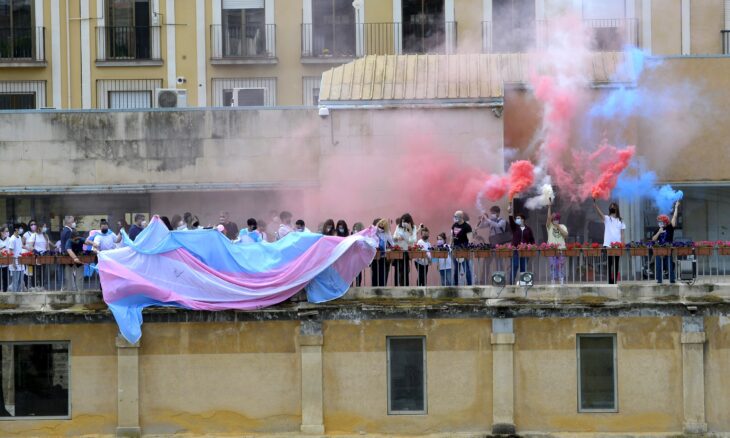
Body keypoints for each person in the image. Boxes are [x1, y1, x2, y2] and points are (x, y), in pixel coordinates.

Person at [593, 199, 626, 284]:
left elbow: (622, 234)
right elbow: (600, 214)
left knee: (616, 263)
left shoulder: (621, 220)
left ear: (616, 209)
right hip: (608, 245)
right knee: (610, 263)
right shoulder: (607, 219)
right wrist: (595, 205)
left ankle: (614, 281)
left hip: (618, 245)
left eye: (613, 207)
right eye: (611, 207)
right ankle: (609, 281)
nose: (612, 209)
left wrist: (623, 244)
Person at [508, 201, 536, 285]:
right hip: (515, 250)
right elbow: (511, 221)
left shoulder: (528, 229)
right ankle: (511, 283)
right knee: (515, 265)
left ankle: (523, 283)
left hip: (525, 251)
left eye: (519, 218)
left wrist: (532, 247)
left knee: (523, 268)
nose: (517, 220)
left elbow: (532, 240)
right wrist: (509, 212)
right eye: (516, 218)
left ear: (523, 220)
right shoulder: (515, 228)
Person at [652, 201, 680, 284]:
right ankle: (659, 280)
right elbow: (653, 239)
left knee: (669, 265)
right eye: (659, 222)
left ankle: (672, 280)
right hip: (659, 250)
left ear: (665, 222)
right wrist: (659, 232)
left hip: (668, 250)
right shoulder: (657, 229)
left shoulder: (670, 227)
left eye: (661, 221)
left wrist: (676, 207)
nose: (660, 223)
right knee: (658, 265)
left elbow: (674, 217)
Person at [546, 198, 568, 284]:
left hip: (561, 249)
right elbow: (548, 218)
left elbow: (566, 235)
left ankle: (561, 279)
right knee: (552, 265)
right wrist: (549, 207)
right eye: (554, 219)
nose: (555, 220)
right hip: (551, 249)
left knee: (561, 265)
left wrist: (558, 226)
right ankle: (553, 279)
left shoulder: (562, 226)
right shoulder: (549, 226)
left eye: (557, 219)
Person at [393, 213, 417, 286]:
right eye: (402, 221)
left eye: (405, 221)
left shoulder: (413, 227)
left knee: (405, 270)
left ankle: (405, 286)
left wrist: (410, 231)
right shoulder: (398, 227)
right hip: (398, 250)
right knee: (397, 270)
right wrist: (397, 238)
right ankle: (396, 286)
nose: (404, 223)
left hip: (406, 251)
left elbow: (413, 240)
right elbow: (394, 237)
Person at [451, 210, 473, 286]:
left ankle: (469, 285)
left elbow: (470, 238)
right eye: (454, 216)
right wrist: (450, 245)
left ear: (461, 217)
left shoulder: (467, 226)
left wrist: (468, 247)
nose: (455, 217)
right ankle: (455, 286)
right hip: (455, 249)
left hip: (464, 249)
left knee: (466, 268)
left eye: (456, 216)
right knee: (456, 269)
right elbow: (452, 236)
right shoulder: (454, 225)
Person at [372, 219, 394, 287]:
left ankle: (382, 289)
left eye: (383, 226)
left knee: (382, 276)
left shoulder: (387, 233)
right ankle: (374, 290)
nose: (381, 227)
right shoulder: (374, 232)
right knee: (375, 275)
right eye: (380, 225)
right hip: (375, 257)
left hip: (383, 257)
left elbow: (392, 244)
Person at [8, 225, 24, 292]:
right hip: (15, 262)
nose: (21, 230)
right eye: (20, 228)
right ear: (16, 229)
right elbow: (11, 251)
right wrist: (13, 263)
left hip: (21, 262)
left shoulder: (19, 237)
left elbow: (20, 247)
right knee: (15, 282)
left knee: (21, 281)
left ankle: (19, 296)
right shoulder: (12, 239)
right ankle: (14, 296)